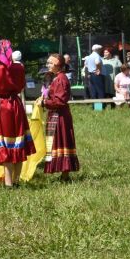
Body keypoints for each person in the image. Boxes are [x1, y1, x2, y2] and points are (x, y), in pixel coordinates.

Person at [0, 39, 36, 188]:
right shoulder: (19, 68)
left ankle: (8, 183)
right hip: (17, 105)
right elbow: (21, 86)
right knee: (18, 141)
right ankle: (16, 180)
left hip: (3, 107)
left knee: (6, 144)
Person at [41, 53, 79, 181]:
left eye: (50, 63)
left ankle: (65, 173)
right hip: (55, 114)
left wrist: (45, 102)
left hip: (60, 115)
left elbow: (60, 101)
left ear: (58, 65)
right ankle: (63, 173)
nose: (48, 65)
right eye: (48, 63)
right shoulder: (56, 77)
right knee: (56, 141)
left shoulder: (61, 79)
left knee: (62, 140)